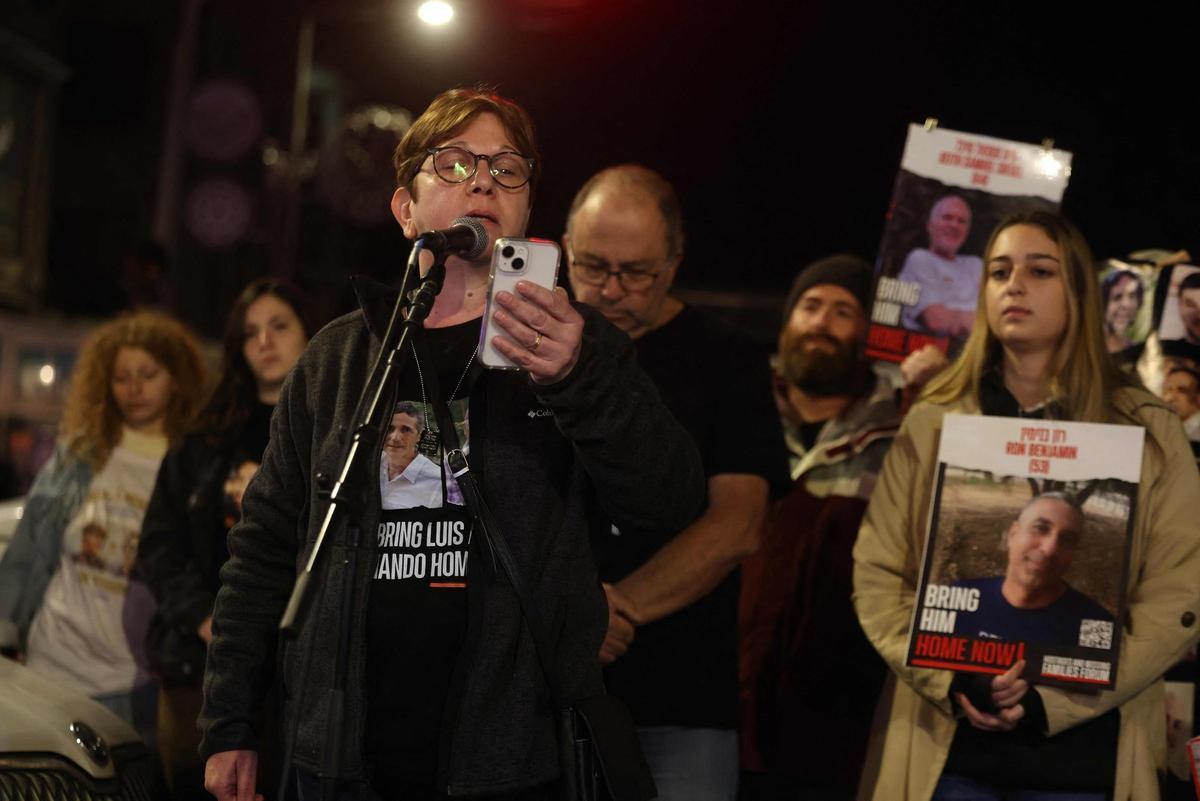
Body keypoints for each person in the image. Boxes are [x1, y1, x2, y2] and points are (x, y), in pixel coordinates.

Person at [199, 88, 705, 801]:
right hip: (342, 754)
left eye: (507, 169)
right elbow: (265, 546)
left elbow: (670, 498)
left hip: (511, 762)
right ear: (405, 208)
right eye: (456, 162)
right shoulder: (339, 357)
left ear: (527, 209)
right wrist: (231, 723)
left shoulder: (578, 343)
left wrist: (576, 378)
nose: (483, 180)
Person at [853, 210, 1200, 800]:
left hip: (1086, 760)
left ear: (1080, 294)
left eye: (1040, 270)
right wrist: (948, 675)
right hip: (947, 750)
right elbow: (878, 574)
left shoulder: (1149, 429)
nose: (1014, 285)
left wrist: (1053, 701)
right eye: (998, 271)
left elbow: (1179, 590)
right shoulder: (934, 421)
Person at [563, 164, 787, 801]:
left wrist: (616, 607)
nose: (610, 290)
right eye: (591, 266)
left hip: (680, 694)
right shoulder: (528, 351)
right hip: (539, 692)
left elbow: (738, 523)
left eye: (636, 272)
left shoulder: (730, 361)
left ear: (675, 259)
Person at [138, 278, 314, 800]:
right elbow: (157, 544)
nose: (265, 341)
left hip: (294, 672)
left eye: (279, 326)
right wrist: (204, 618)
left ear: (311, 333)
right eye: (250, 332)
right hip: (200, 666)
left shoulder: (335, 432)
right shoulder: (204, 438)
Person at [0, 311, 207, 752]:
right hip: (48, 666)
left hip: (133, 686)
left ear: (176, 379)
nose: (133, 389)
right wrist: (5, 633)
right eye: (121, 378)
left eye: (148, 374)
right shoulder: (83, 453)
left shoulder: (192, 469)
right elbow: (30, 546)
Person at [738, 254, 897, 801]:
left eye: (842, 311)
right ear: (786, 323)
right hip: (726, 705)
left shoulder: (899, 435)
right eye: (810, 306)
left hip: (835, 726)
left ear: (867, 334)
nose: (822, 322)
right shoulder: (740, 410)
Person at [952, 493, 1113, 646]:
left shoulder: (1097, 626)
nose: (1050, 549)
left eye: (1067, 539)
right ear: (1013, 534)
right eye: (1041, 528)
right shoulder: (958, 597)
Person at [898, 195, 982, 339]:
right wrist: (980, 319)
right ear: (930, 225)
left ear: (966, 232)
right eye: (947, 218)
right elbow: (937, 322)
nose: (954, 225)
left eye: (961, 221)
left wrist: (956, 316)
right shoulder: (920, 259)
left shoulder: (975, 265)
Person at [1100, 269, 1143, 353]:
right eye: (1117, 297)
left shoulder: (1134, 348)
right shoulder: (1090, 350)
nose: (1126, 305)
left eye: (1132, 296)